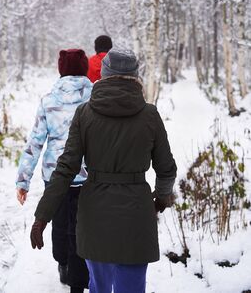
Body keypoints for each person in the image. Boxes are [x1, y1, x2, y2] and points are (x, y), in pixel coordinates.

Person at [30, 48, 177, 293]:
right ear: (135, 77)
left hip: (94, 215)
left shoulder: (84, 113)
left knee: (98, 288)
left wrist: (42, 216)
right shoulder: (150, 115)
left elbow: (65, 168)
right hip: (137, 216)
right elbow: (167, 169)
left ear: (103, 75)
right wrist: (161, 198)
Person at [16, 49, 92, 293]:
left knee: (59, 223)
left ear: (61, 69)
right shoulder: (95, 97)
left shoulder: (48, 100)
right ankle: (78, 277)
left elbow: (35, 142)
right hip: (87, 175)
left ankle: (63, 263)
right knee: (82, 228)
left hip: (54, 175)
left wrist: (23, 180)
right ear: (84, 68)